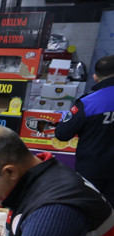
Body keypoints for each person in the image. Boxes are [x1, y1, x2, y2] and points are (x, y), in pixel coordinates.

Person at [55, 54, 114, 204]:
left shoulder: (88, 103)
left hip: (92, 171)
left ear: (95, 77)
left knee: (89, 211)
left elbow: (62, 134)